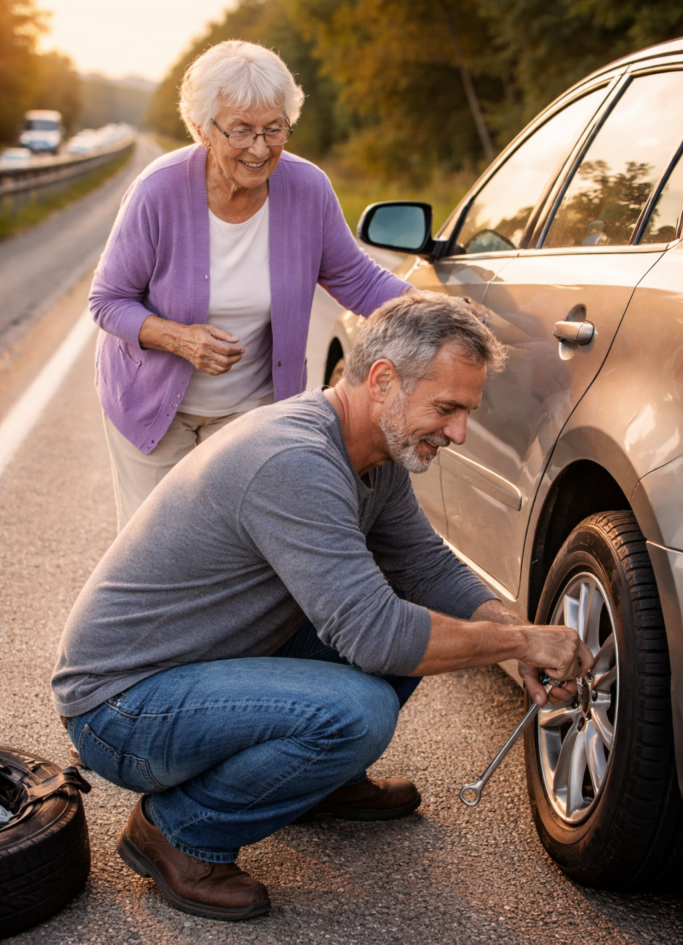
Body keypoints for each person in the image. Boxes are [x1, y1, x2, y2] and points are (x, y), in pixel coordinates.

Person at [53, 292, 592, 923]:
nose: (458, 432)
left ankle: (315, 781)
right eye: (446, 408)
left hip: (201, 668)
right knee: (359, 711)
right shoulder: (294, 461)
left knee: (399, 610)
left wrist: (513, 627)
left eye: (465, 412)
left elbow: (425, 567)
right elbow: (379, 639)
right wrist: (522, 646)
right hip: (121, 709)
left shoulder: (373, 451)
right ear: (383, 381)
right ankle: (177, 832)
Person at [89, 39, 411, 532]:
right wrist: (180, 338)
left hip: (249, 411)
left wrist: (433, 309)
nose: (260, 148)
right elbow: (108, 301)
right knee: (157, 549)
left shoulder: (308, 189)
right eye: (241, 130)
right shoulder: (159, 191)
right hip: (151, 406)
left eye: (274, 128)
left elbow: (358, 279)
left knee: (234, 551)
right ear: (202, 129)